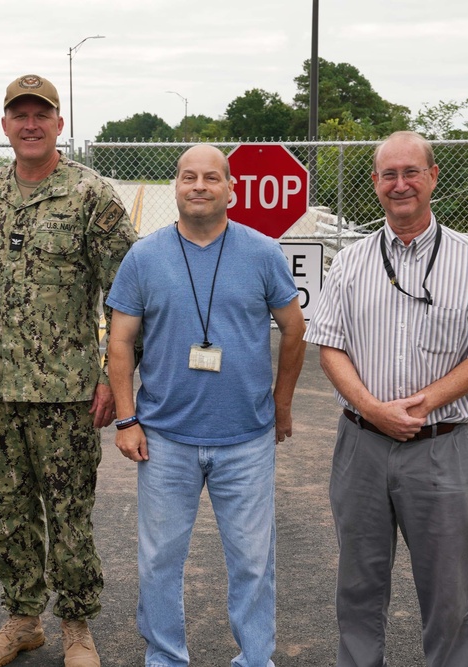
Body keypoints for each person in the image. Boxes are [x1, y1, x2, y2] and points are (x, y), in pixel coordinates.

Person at [0, 74, 137, 667]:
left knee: (70, 509)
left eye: (40, 115)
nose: (30, 125)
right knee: (6, 508)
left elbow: (128, 294)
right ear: (4, 125)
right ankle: (23, 619)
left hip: (67, 389)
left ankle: (77, 626)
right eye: (18, 115)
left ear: (58, 124)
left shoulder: (91, 195)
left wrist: (111, 378)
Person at [303, 131, 468, 667]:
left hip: (440, 450)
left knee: (449, 597)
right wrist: (374, 409)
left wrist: (421, 404)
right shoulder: (351, 262)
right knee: (358, 588)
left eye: (411, 172)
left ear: (432, 177)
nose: (400, 185)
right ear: (375, 183)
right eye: (388, 175)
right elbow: (328, 346)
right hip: (362, 447)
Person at [106, 144, 307, 667]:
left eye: (211, 177)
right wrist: (127, 419)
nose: (199, 185)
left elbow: (294, 330)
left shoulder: (263, 253)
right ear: (175, 187)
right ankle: (166, 658)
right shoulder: (144, 257)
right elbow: (120, 341)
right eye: (188, 177)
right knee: (159, 561)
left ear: (230, 188)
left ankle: (255, 659)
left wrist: (281, 404)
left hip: (246, 439)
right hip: (165, 439)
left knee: (252, 562)